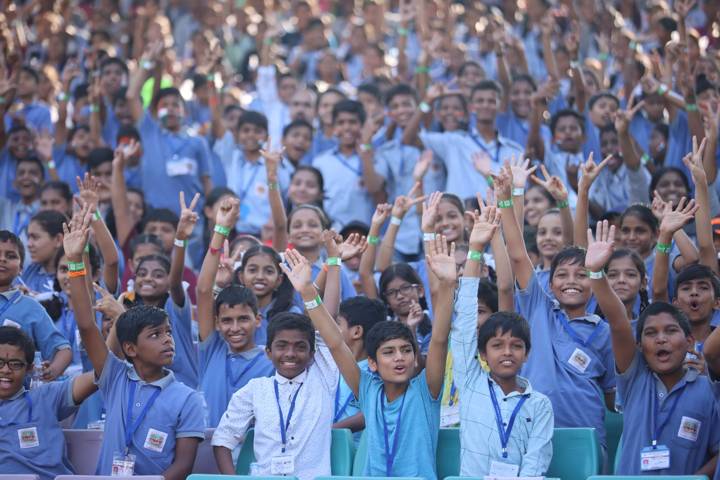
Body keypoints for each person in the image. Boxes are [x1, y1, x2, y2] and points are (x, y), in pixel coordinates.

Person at [281, 232, 456, 480]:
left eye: (406, 350)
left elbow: (439, 339)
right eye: (389, 352)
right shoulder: (368, 389)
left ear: (415, 357)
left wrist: (448, 285)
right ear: (372, 363)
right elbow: (335, 343)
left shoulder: (427, 390)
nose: (399, 358)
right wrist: (308, 292)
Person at [65, 202, 205, 478]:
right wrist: (74, 261)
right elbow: (86, 324)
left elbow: (184, 466)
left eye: (168, 333)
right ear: (129, 348)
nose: (167, 340)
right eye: (155, 335)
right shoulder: (115, 377)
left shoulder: (187, 398)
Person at [452, 201, 553, 476]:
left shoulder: (540, 404)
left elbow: (536, 462)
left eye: (516, 346)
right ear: (482, 354)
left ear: (527, 354)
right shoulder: (471, 382)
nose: (507, 352)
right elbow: (463, 325)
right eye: (497, 345)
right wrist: (474, 251)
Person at [211, 311, 338, 480]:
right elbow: (222, 439)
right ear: (268, 352)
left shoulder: (323, 380)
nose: (290, 353)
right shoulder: (255, 390)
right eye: (282, 346)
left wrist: (308, 290)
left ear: (312, 354)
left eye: (300, 347)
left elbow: (327, 324)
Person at [196, 197, 274, 427]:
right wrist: (221, 230)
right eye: (227, 321)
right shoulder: (213, 348)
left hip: (252, 454)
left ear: (258, 320)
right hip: (208, 453)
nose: (235, 328)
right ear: (217, 323)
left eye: (243, 319)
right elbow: (202, 290)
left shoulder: (270, 361)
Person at [0, 326, 97, 479]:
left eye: (15, 364)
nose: (5, 370)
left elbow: (101, 373)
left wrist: (89, 324)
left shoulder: (46, 397)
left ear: (29, 369)